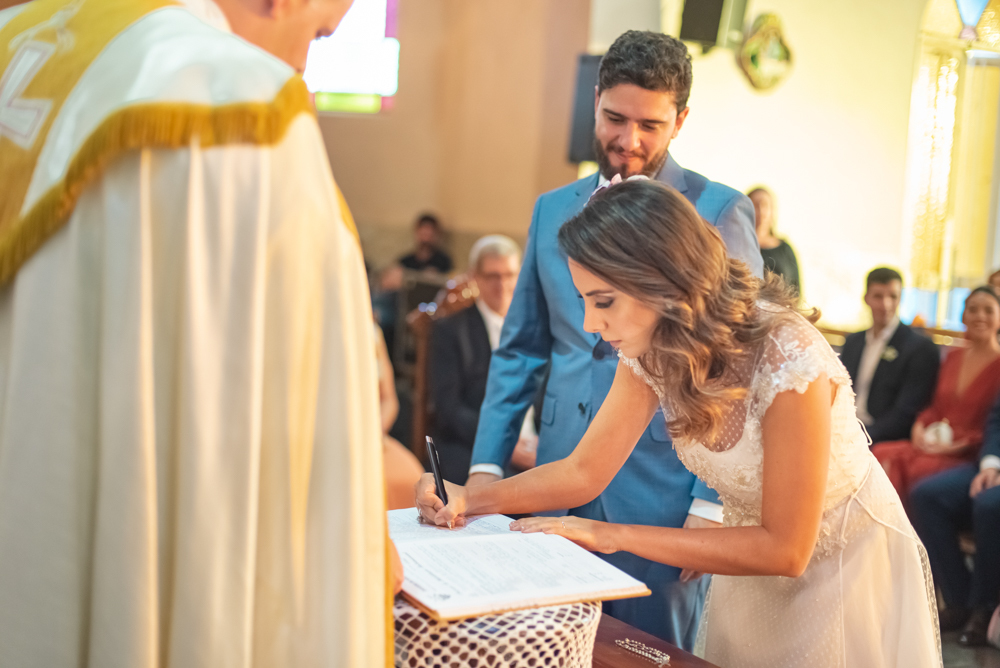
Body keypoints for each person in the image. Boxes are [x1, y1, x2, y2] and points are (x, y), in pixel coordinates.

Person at [0, 0, 397, 665]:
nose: (304, 66)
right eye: (320, 34)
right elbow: (268, 471)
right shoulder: (238, 110)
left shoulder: (19, 36)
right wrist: (352, 563)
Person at [417, 179, 941, 668]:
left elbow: (787, 548)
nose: (589, 325)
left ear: (664, 283)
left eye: (603, 302)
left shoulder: (786, 356)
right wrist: (470, 497)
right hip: (747, 566)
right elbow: (583, 470)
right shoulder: (653, 348)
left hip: (840, 567)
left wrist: (610, 534)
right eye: (583, 301)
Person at [465, 30, 763, 648]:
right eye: (615, 118)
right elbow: (522, 347)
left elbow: (735, 363)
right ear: (595, 100)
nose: (629, 141)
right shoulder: (552, 209)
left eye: (651, 124)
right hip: (559, 463)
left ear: (681, 119)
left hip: (664, 482)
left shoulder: (718, 211)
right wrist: (487, 466)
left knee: (650, 651)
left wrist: (710, 505)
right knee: (550, 640)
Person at [873, 287, 1000, 502]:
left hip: (967, 452)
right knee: (881, 452)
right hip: (934, 441)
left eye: (988, 310)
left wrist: (957, 446)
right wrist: (919, 427)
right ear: (963, 316)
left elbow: (995, 423)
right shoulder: (953, 356)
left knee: (918, 470)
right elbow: (935, 405)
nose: (980, 316)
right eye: (973, 309)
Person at [430, 235, 537, 484]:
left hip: (536, 446)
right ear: (474, 277)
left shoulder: (536, 327)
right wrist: (505, 442)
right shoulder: (451, 330)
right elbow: (449, 408)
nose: (501, 284)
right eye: (492, 276)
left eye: (509, 275)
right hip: (474, 444)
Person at [911, 392, 1000, 647]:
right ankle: (959, 600)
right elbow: (996, 420)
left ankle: (984, 608)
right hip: (994, 466)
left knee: (988, 505)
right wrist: (991, 466)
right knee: (927, 496)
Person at [841, 267, 939, 443]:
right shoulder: (853, 342)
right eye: (878, 296)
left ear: (901, 298)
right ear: (866, 298)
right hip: (844, 429)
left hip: (880, 438)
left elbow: (905, 413)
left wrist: (861, 438)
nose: (885, 305)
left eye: (892, 297)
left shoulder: (919, 348)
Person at [376, 323, 426, 509]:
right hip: (326, 438)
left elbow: (389, 400)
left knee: (412, 479)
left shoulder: (372, 331)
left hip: (375, 436)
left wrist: (375, 433)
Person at [747, 186, 800, 294]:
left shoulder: (784, 249)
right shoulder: (738, 246)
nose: (761, 211)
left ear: (772, 210)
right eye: (756, 205)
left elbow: (796, 291)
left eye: (765, 205)